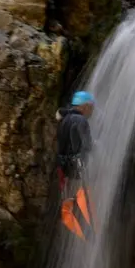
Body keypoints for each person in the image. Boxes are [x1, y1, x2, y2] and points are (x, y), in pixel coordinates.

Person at [55, 91, 95, 240]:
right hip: (77, 171)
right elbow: (87, 145)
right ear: (85, 106)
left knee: (68, 206)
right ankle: (90, 239)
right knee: (85, 206)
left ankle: (75, 237)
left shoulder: (64, 120)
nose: (92, 112)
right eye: (91, 108)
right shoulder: (80, 120)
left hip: (64, 171)